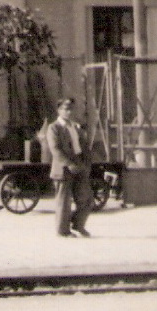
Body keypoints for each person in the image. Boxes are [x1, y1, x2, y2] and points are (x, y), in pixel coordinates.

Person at [46, 97, 93, 237]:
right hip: (63, 169)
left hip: (79, 164)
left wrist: (86, 163)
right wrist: (69, 164)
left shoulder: (75, 126)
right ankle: (63, 231)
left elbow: (83, 146)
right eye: (65, 109)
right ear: (59, 110)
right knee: (64, 202)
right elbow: (55, 150)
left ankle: (78, 225)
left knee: (87, 197)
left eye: (71, 109)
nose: (69, 112)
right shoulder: (54, 128)